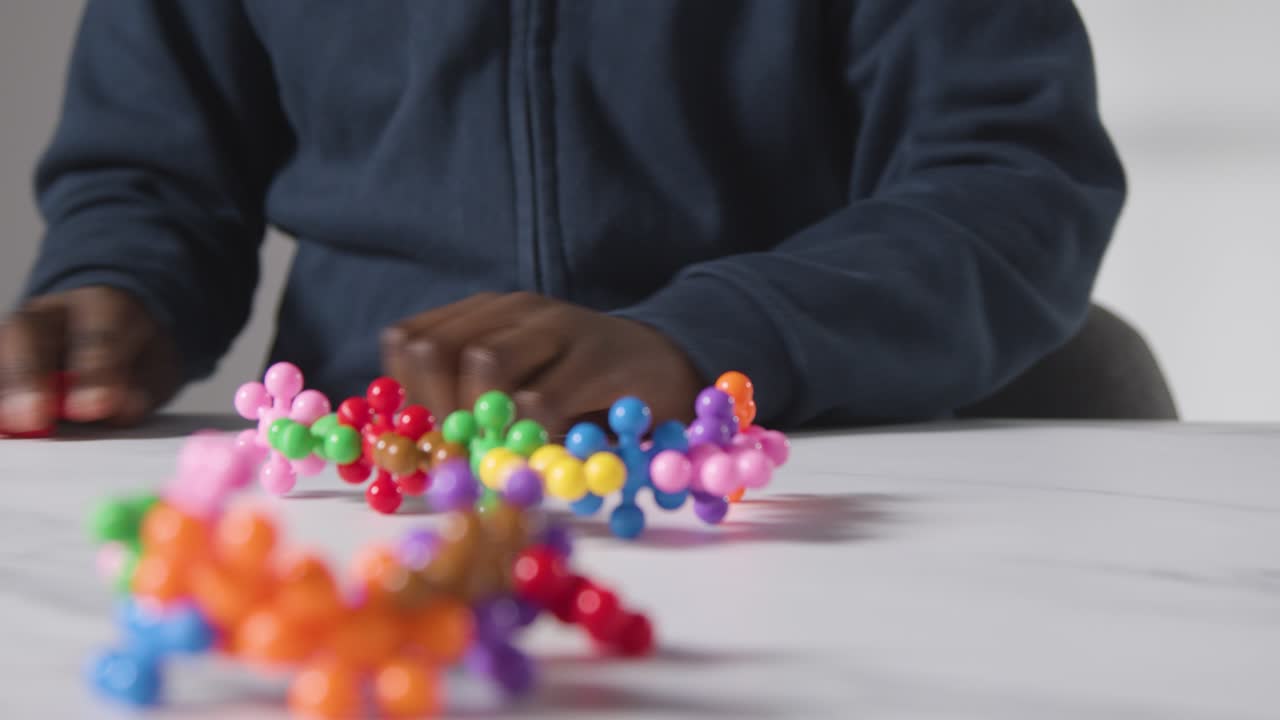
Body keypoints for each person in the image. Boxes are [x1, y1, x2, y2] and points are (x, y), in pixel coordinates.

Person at [0, 1, 1124, 436]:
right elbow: (149, 178)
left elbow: (1012, 185)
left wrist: (701, 342)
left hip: (803, 463)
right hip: (366, 486)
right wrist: (115, 285)